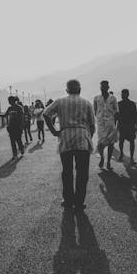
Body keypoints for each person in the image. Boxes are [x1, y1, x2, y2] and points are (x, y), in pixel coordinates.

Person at [43, 79, 95, 211]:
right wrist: (88, 136)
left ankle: (68, 200)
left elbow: (46, 113)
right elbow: (92, 125)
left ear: (67, 90)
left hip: (65, 138)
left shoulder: (60, 101)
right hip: (82, 138)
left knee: (67, 171)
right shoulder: (86, 103)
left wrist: (54, 131)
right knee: (82, 172)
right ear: (80, 89)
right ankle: (79, 202)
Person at [93, 80, 119, 170]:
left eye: (105, 86)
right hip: (100, 125)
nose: (103, 88)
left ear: (108, 87)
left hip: (110, 124)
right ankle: (102, 159)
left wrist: (115, 124)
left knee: (111, 143)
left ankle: (108, 162)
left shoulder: (113, 98)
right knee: (100, 143)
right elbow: (95, 111)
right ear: (100, 87)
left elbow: (116, 111)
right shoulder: (96, 98)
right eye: (101, 86)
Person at [117, 89, 137, 165]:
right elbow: (116, 116)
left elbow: (135, 116)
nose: (122, 96)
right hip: (122, 126)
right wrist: (116, 126)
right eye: (122, 95)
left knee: (132, 142)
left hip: (130, 126)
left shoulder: (132, 104)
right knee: (121, 141)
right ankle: (121, 154)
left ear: (127, 95)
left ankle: (131, 158)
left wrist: (136, 126)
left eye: (124, 94)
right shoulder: (118, 104)